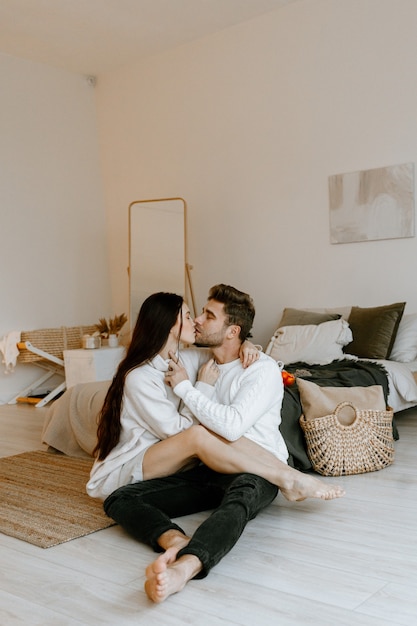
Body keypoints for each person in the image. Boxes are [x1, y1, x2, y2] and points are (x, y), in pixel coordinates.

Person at [88, 284, 344, 602]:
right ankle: (175, 540)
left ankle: (186, 567)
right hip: (206, 462)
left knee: (236, 504)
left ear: (231, 331)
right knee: (119, 498)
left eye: (207, 315)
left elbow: (231, 428)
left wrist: (249, 347)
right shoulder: (196, 360)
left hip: (259, 465)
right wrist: (200, 383)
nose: (196, 320)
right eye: (192, 314)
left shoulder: (259, 369)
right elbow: (184, 428)